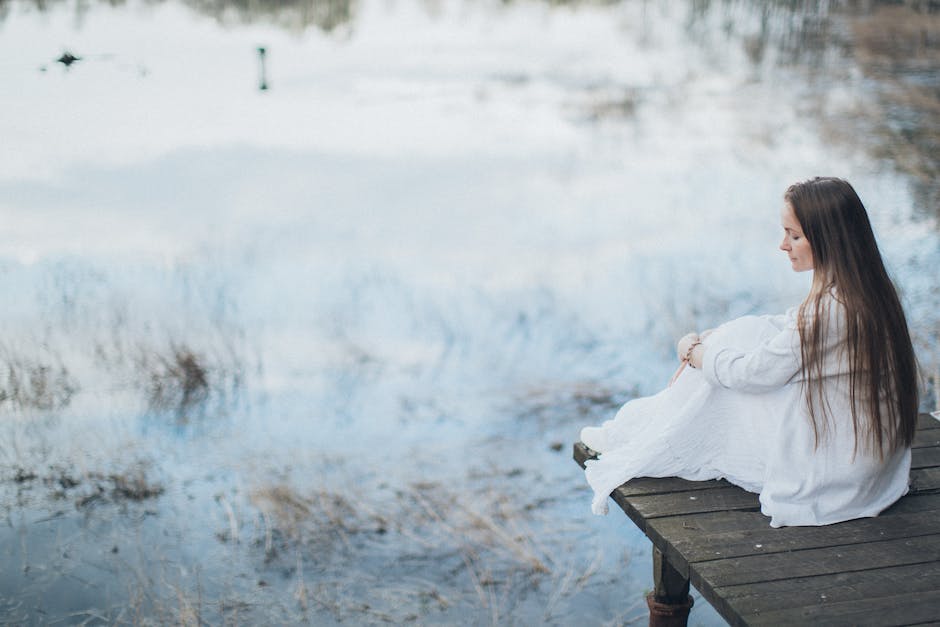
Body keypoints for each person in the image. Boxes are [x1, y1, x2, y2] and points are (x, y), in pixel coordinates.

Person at [580, 177, 920, 527]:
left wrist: (696, 354)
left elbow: (754, 374)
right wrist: (718, 339)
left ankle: (635, 435)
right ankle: (637, 430)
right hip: (868, 459)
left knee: (721, 388)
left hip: (839, 471)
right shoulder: (865, 290)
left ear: (830, 239)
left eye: (795, 235)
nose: (783, 245)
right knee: (743, 334)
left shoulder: (831, 309)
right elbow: (788, 330)